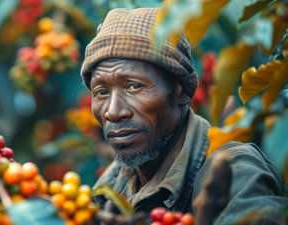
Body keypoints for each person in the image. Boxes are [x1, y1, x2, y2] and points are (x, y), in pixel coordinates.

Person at [80, 7, 286, 224]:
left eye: (134, 86)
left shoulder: (234, 172)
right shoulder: (113, 184)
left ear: (182, 93)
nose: (113, 111)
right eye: (101, 92)